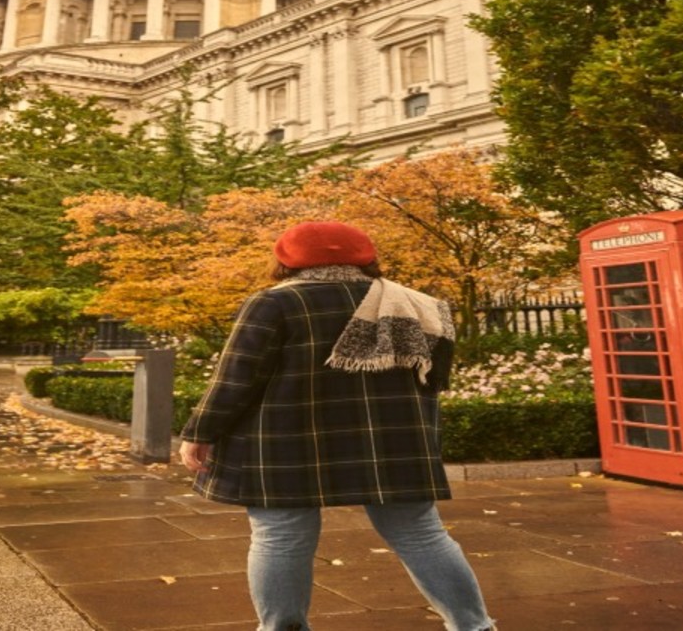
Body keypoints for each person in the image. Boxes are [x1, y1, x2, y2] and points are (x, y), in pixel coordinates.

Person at [179, 221, 495, 631]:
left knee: (280, 537)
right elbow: (433, 380)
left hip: (287, 442)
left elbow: (237, 377)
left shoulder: (275, 303)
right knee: (420, 533)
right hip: (393, 441)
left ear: (286, 260)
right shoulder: (415, 303)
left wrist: (199, 431)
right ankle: (474, 627)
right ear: (365, 258)